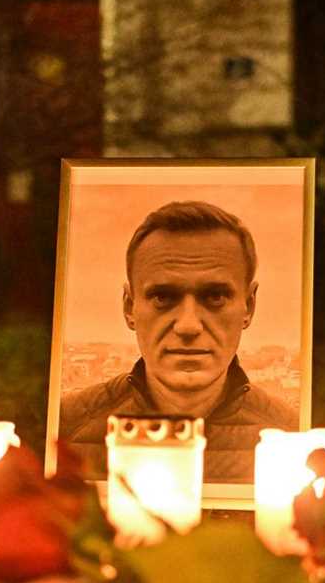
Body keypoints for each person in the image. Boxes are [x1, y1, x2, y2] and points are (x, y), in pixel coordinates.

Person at [59, 199, 297, 482]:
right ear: (128, 307)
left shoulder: (292, 439)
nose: (188, 326)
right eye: (163, 297)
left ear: (249, 306)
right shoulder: (64, 427)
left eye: (215, 297)